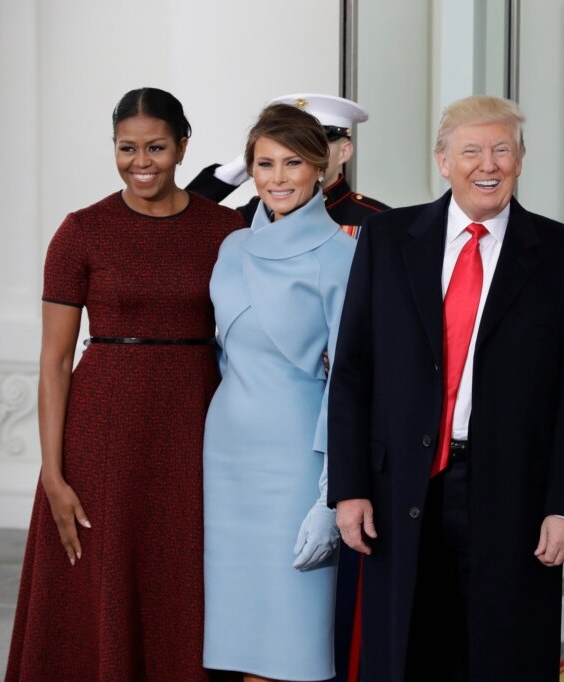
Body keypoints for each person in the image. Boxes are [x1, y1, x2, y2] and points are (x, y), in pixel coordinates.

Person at [328, 95, 564, 681]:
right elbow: (352, 372)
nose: (488, 164)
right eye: (471, 150)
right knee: (408, 652)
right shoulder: (387, 238)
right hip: (401, 486)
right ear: (442, 161)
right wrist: (349, 489)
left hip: (515, 496)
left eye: (503, 149)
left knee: (502, 656)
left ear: (521, 161)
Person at [6, 88, 244, 680]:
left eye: (156, 147)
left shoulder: (228, 228)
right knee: (101, 579)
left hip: (197, 421)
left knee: (186, 570)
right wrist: (54, 474)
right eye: (127, 148)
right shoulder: (81, 231)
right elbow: (55, 360)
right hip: (103, 432)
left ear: (183, 146)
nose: (142, 162)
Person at [202, 103, 355, 681]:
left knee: (290, 636)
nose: (278, 177)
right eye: (264, 164)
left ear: (322, 168)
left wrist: (330, 493)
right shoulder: (231, 247)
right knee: (233, 632)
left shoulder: (341, 255)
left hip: (295, 459)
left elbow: (349, 379)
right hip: (226, 456)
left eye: (294, 163)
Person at [187, 93, 389, 236]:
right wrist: (226, 176)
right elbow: (180, 225)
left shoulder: (376, 220)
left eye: (314, 144)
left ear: (344, 151)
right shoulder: (257, 211)